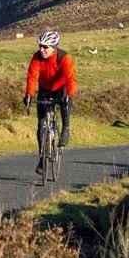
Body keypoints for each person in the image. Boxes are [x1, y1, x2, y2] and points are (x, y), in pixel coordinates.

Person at [23, 31, 77, 175]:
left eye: (45, 47)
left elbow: (71, 78)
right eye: (40, 46)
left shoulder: (64, 58)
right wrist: (29, 94)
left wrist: (69, 95)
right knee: (41, 124)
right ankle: (42, 158)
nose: (42, 50)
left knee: (65, 103)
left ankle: (66, 128)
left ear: (54, 47)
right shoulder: (37, 57)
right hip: (45, 88)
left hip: (61, 87)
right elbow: (32, 76)